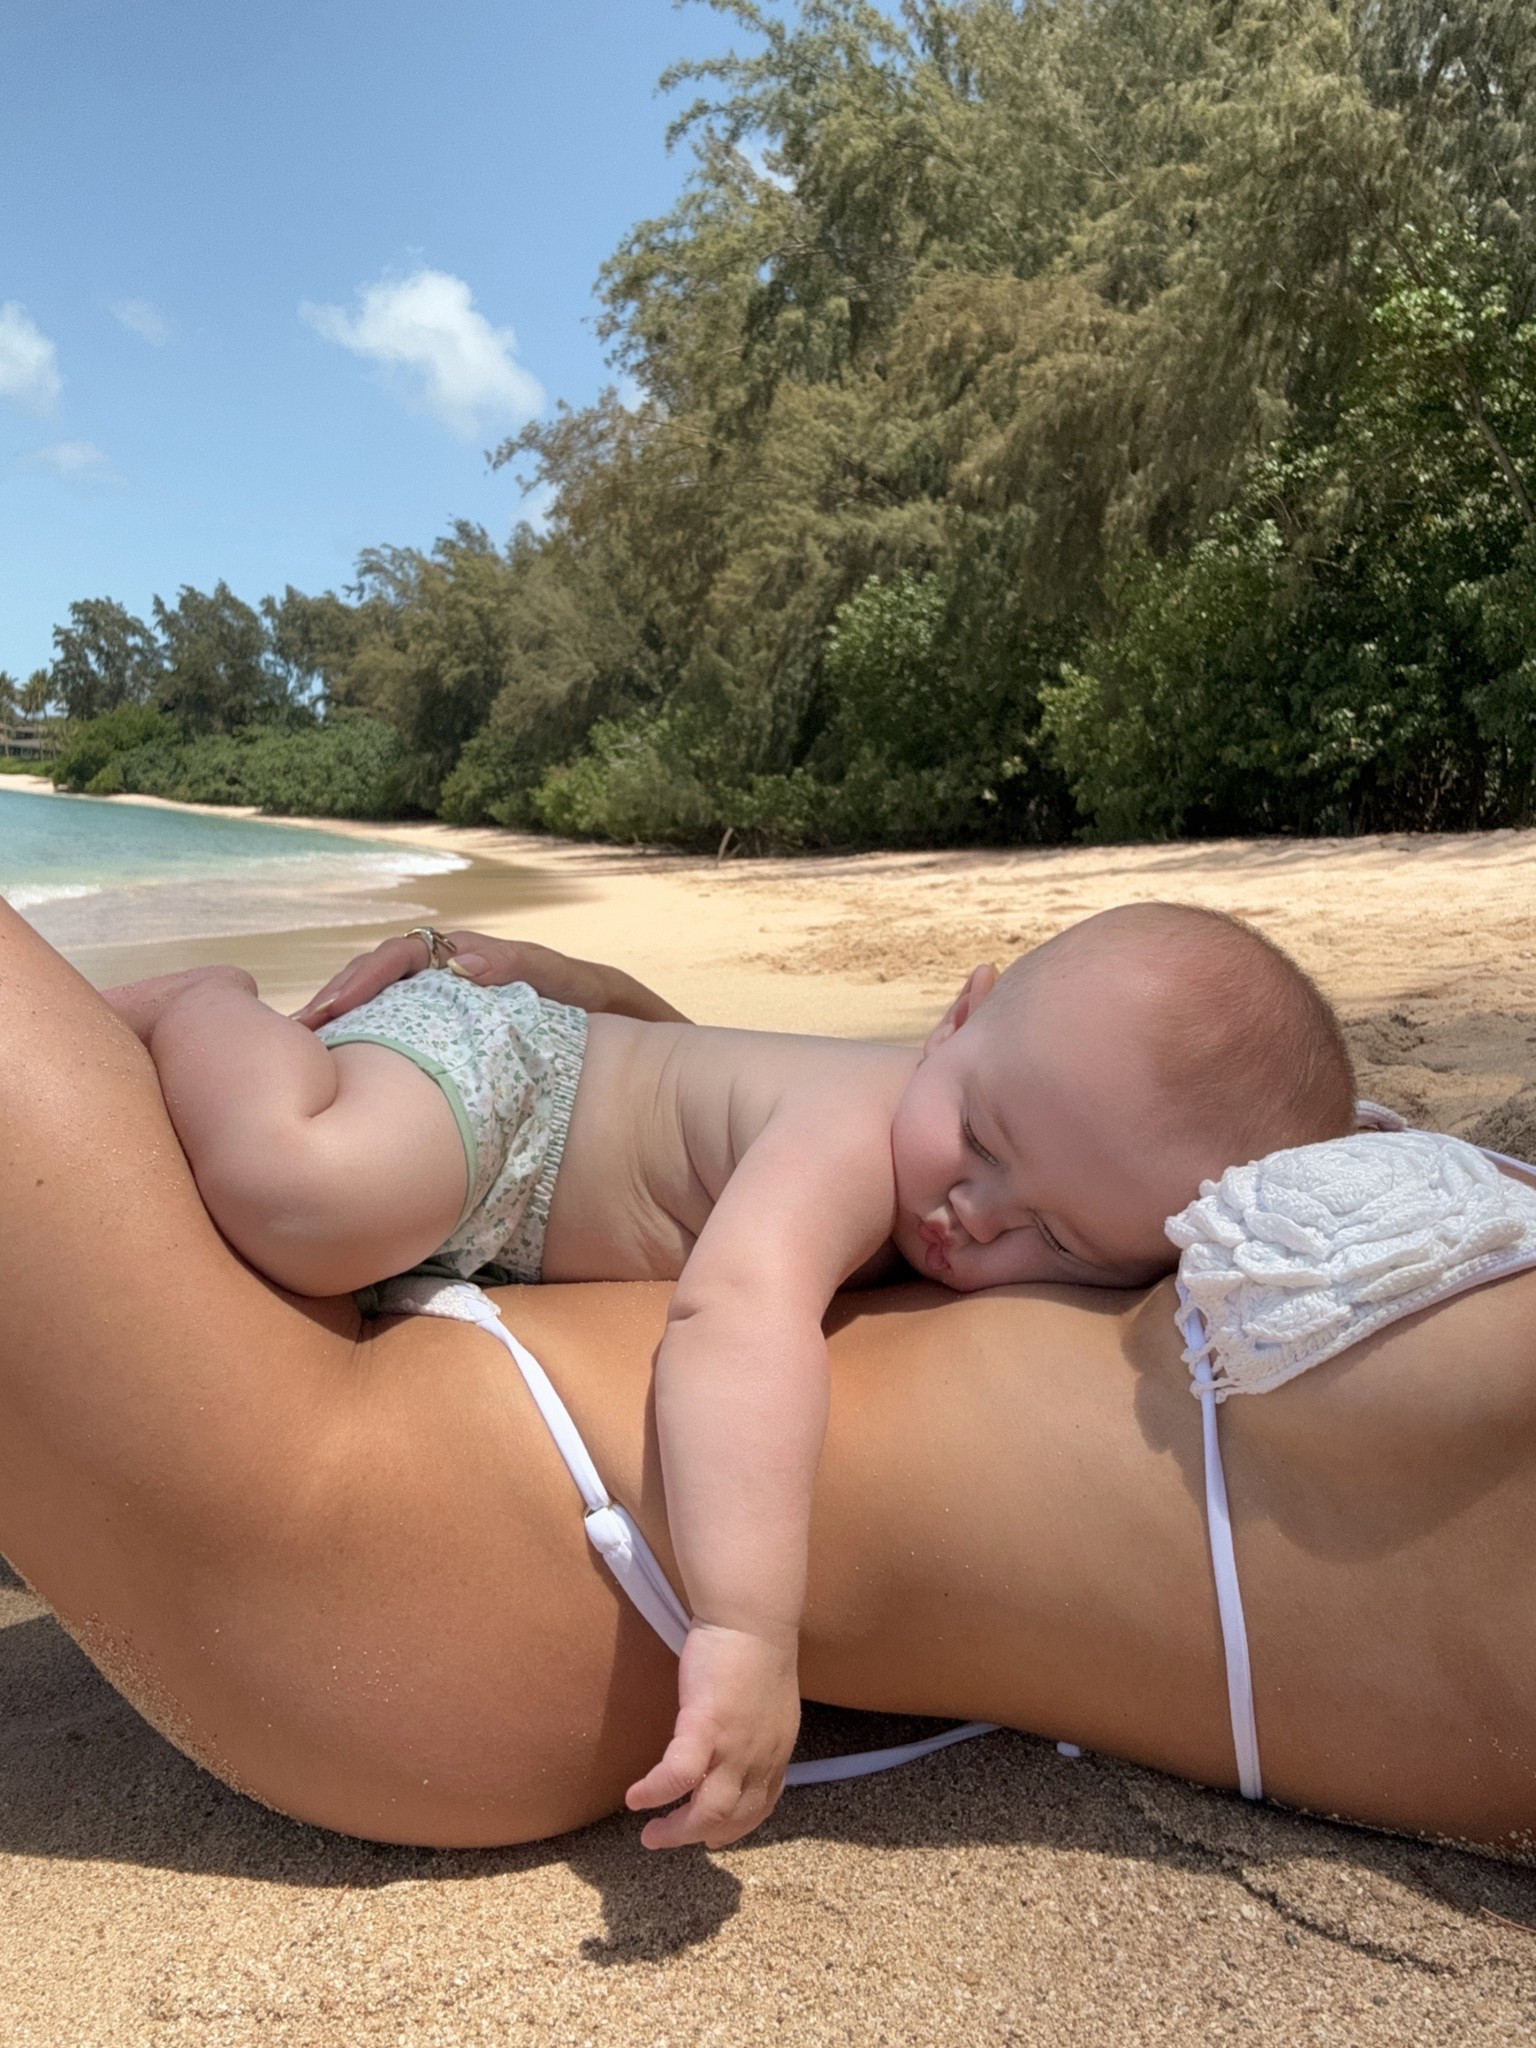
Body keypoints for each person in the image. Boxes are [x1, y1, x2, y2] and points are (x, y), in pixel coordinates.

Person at [3, 898, 1534, 1858]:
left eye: (1056, 1230)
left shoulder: (1043, 1122)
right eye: (983, 1145)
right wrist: (590, 1022)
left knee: (304, 1198)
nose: (972, 1217)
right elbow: (739, 1272)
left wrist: (742, 1627)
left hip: (453, 1518)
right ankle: (201, 1005)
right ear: (963, 1013)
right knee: (298, 1186)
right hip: (488, 1244)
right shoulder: (962, 1117)